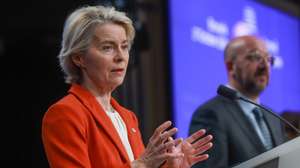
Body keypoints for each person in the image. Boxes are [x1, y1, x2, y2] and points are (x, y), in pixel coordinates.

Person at [42, 5, 213, 168]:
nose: (121, 57)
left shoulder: (127, 117)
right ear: (79, 58)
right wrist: (142, 164)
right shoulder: (66, 113)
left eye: (124, 47)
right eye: (107, 48)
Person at [189, 35, 286, 168]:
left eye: (269, 59)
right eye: (255, 57)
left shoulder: (274, 118)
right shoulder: (210, 114)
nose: (265, 66)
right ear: (231, 66)